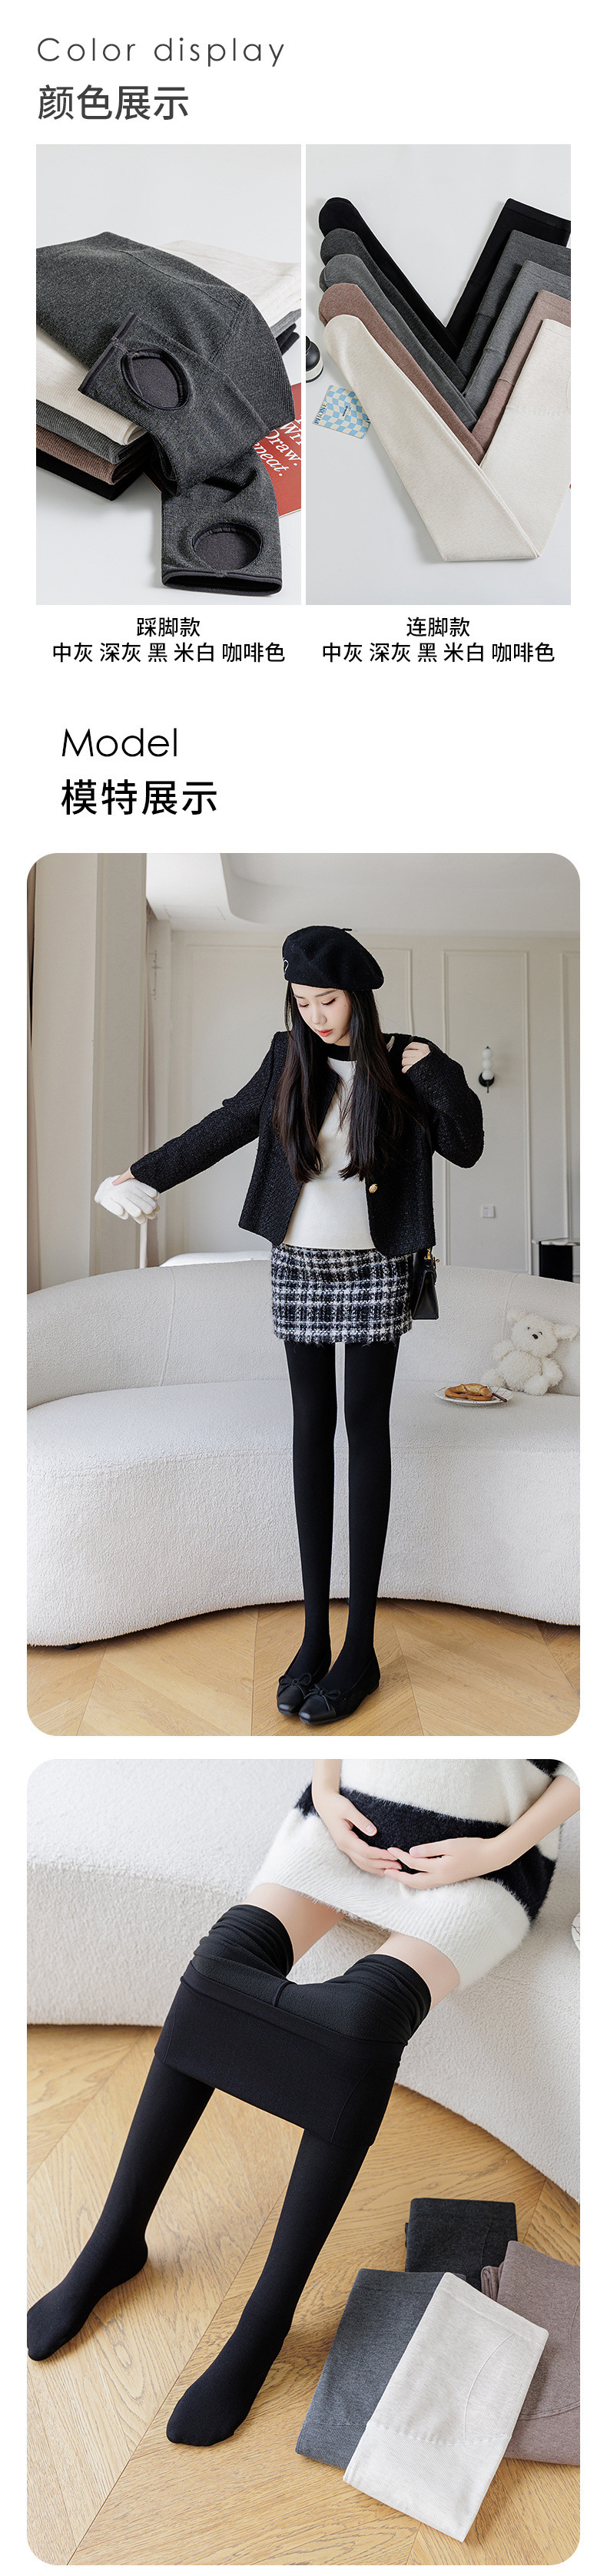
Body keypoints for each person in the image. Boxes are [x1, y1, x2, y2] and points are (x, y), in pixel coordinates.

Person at [27, 1755, 579, 2451]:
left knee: (360, 2027)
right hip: (351, 1821)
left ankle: (267, 2318)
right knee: (214, 1974)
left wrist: (498, 1850)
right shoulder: (335, 1807)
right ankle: (114, 2241)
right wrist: (325, 1791)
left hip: (484, 1859)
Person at [107, 921, 484, 1720]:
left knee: (365, 1430)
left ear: (360, 995)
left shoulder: (406, 1060)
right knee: (309, 1429)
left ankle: (360, 1647)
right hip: (299, 1266)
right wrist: (137, 1174)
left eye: (328, 1000)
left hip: (380, 1267)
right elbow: (222, 1126)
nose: (315, 1015)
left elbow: (465, 1146)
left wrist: (439, 1071)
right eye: (303, 1001)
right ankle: (314, 1635)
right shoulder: (287, 1060)